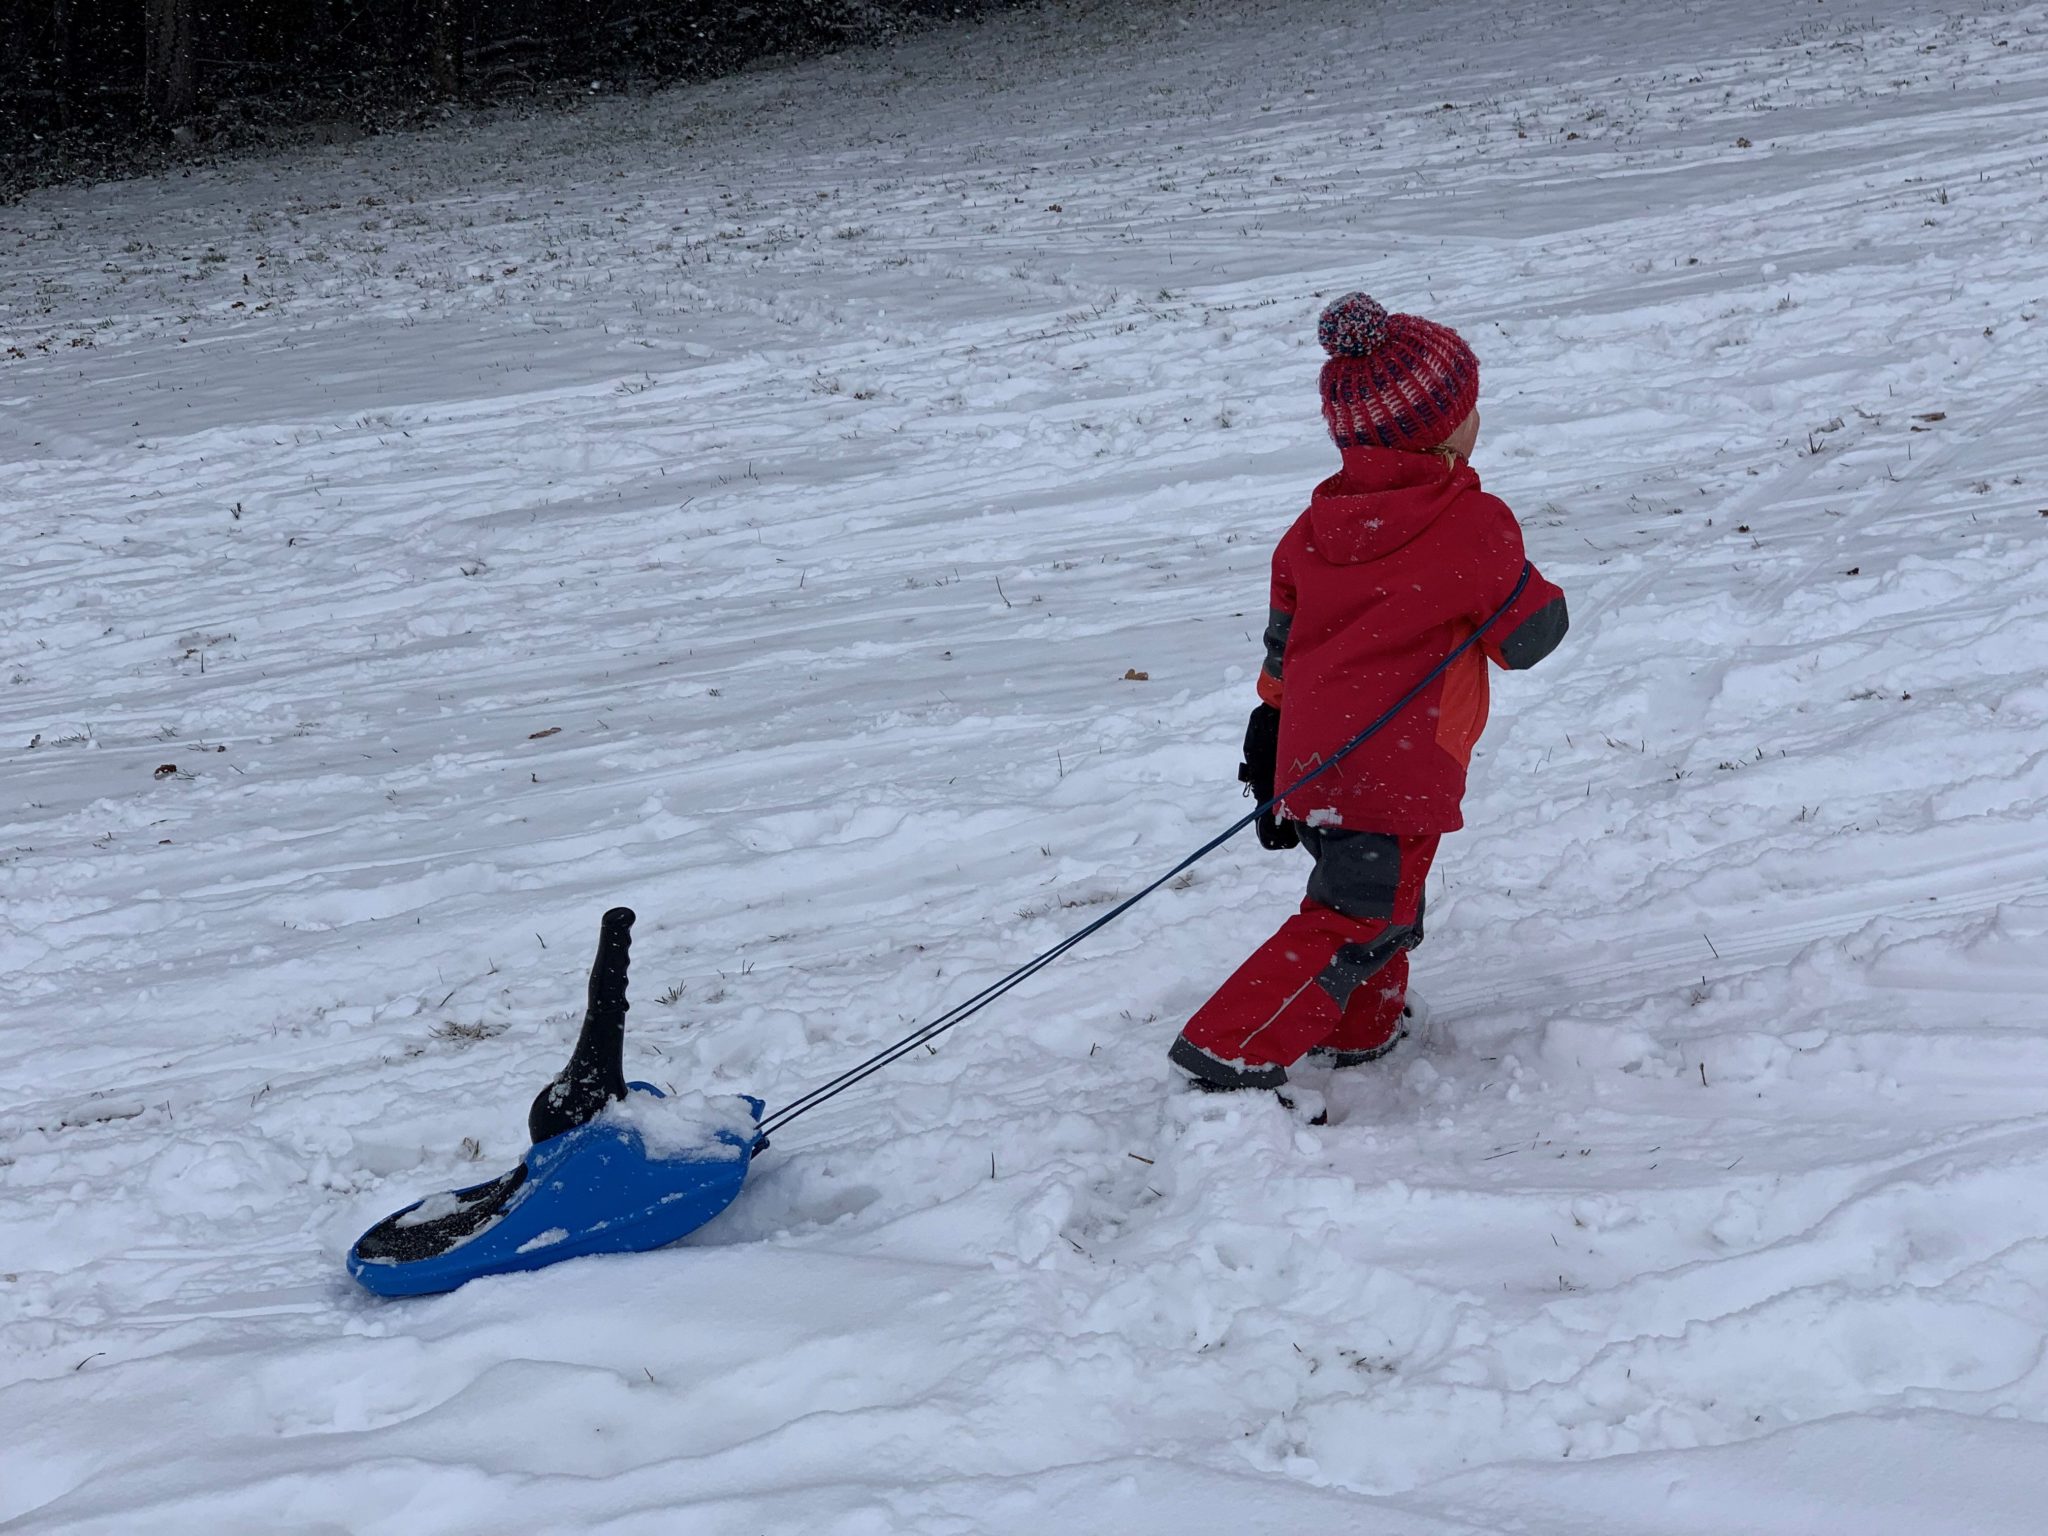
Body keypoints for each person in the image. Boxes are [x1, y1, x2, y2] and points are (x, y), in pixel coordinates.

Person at [1168, 293, 1568, 1092]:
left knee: (1384, 904)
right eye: (1469, 407)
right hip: (1398, 774)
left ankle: (1362, 1032)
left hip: (1310, 763)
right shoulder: (1472, 524)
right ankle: (1227, 1051)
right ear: (1442, 429)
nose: (1478, 418)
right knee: (1358, 918)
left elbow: (1283, 644)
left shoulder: (1313, 529)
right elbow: (1529, 636)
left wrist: (1268, 732)